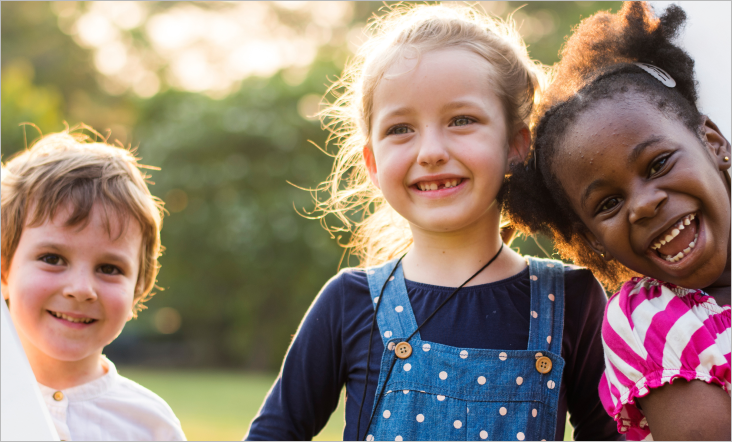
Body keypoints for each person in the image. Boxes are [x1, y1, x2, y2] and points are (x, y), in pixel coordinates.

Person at [246, 4, 620, 441]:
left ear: (516, 143)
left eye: (462, 120)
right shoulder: (348, 303)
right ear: (372, 162)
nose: (430, 151)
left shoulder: (573, 300)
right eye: (401, 129)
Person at [503, 2, 731, 440]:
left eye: (659, 163)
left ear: (713, 142)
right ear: (594, 241)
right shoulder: (650, 320)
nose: (643, 205)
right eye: (607, 204)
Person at [1, 128, 186, 441]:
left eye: (109, 268)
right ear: (4, 270)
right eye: (53, 258)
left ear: (137, 291)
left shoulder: (150, 426)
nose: (81, 288)